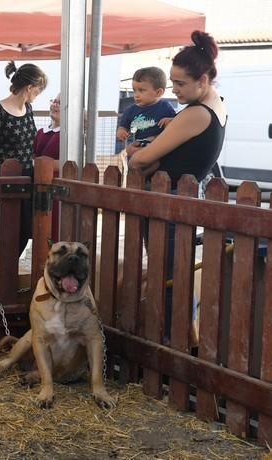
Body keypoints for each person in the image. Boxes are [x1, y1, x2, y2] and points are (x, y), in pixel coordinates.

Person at [127, 30, 226, 340]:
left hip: (166, 203)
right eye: (173, 83)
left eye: (181, 84)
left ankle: (173, 345)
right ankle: (183, 341)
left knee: (169, 280)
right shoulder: (219, 109)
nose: (175, 91)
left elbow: (140, 161)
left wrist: (140, 154)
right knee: (175, 277)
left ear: (204, 80)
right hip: (180, 200)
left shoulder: (195, 114)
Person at [0, 61, 47, 257]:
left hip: (26, 179)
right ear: (29, 88)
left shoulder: (29, 110)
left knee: (23, 233)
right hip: (3, 179)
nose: (38, 94)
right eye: (38, 90)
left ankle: (8, 274)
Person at [116, 67, 176, 154]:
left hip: (159, 146)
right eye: (134, 90)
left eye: (141, 90)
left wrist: (170, 120)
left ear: (158, 92)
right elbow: (123, 126)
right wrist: (121, 132)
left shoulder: (165, 107)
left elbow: (176, 125)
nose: (136, 95)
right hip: (139, 146)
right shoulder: (131, 110)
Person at [33, 93, 61, 241]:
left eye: (60, 103)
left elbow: (66, 162)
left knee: (54, 228)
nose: (55, 104)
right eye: (54, 101)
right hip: (38, 187)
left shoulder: (68, 135)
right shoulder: (41, 132)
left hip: (56, 190)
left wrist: (42, 165)